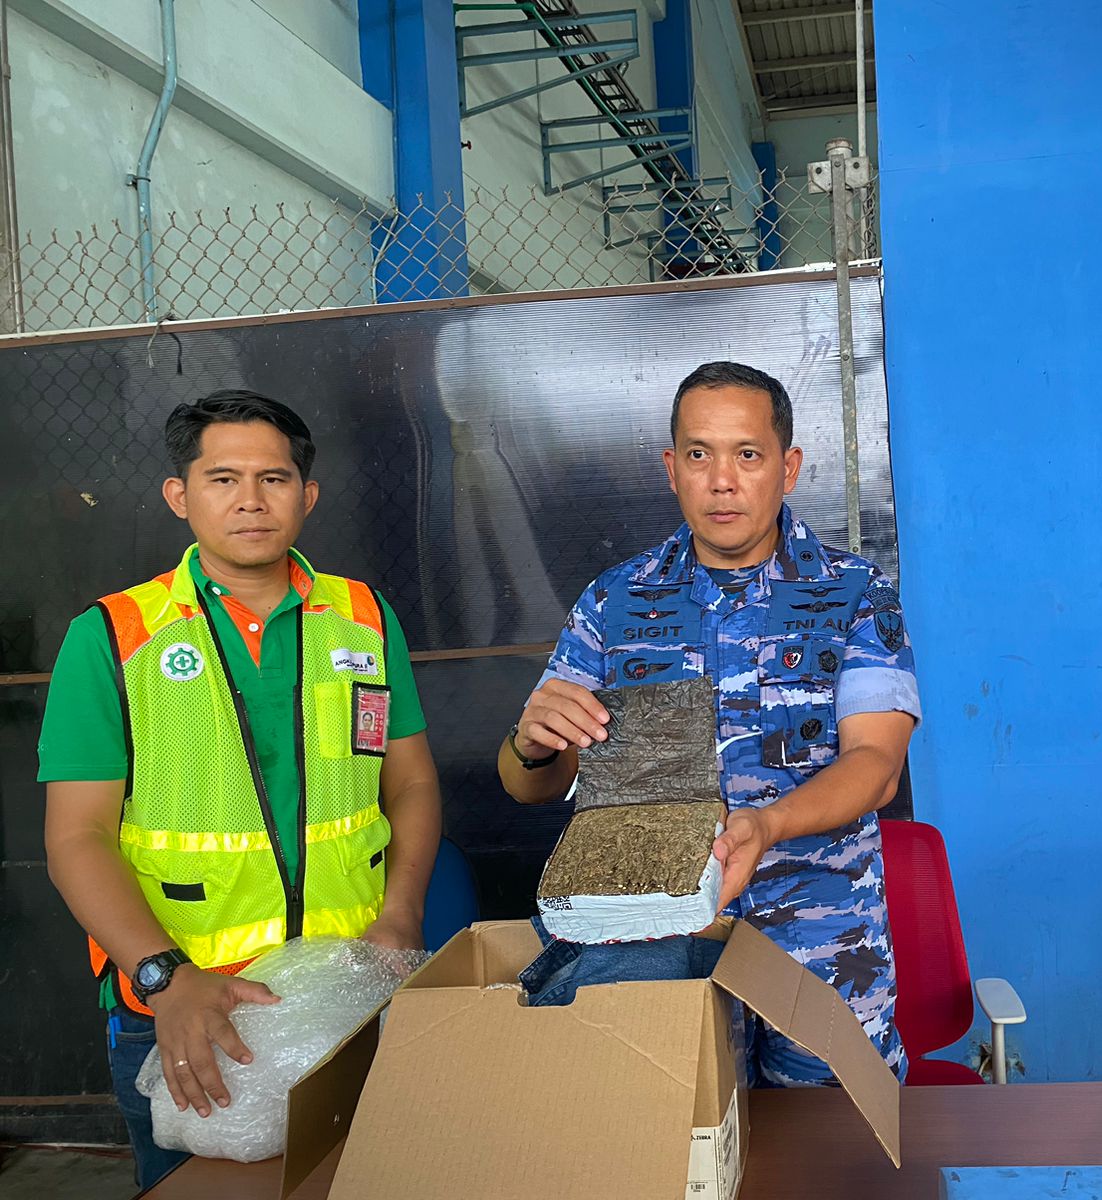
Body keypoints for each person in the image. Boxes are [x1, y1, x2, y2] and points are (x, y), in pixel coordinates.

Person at [41, 390, 442, 1187]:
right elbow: (74, 838)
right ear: (179, 495)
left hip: (345, 988)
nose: (252, 501)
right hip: (186, 1010)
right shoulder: (114, 637)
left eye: (275, 478)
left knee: (368, 1180)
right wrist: (167, 979)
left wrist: (400, 915)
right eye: (222, 478)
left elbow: (415, 782)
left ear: (308, 494)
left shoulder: (362, 618)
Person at [499, 360, 918, 1084]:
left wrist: (767, 826)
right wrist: (531, 744)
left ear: (788, 468)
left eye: (747, 455)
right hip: (656, 945)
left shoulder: (854, 593)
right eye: (699, 454)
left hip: (821, 941)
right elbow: (531, 784)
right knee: (667, 1151)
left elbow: (876, 767)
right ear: (671, 468)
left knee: (837, 1152)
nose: (722, 480)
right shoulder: (614, 602)